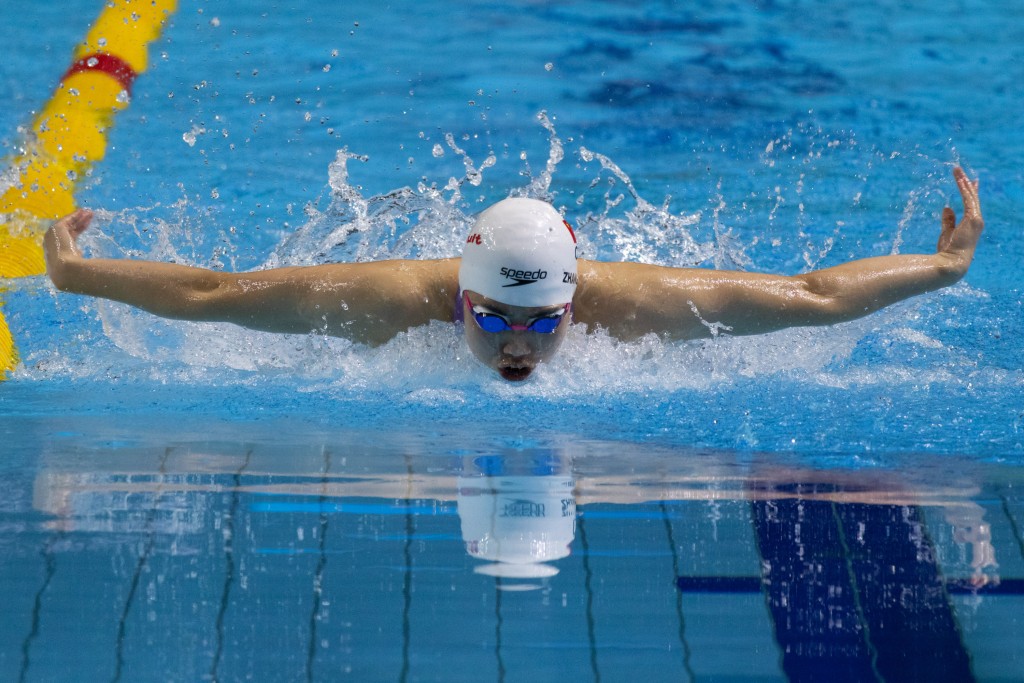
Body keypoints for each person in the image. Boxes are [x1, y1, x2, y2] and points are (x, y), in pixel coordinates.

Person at [43, 167, 983, 382]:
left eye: (542, 322)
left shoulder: (638, 309)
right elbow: (215, 295)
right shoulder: (384, 305)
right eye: (493, 318)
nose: (519, 344)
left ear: (575, 299)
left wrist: (943, 271)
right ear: (459, 294)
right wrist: (80, 278)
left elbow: (814, 297)